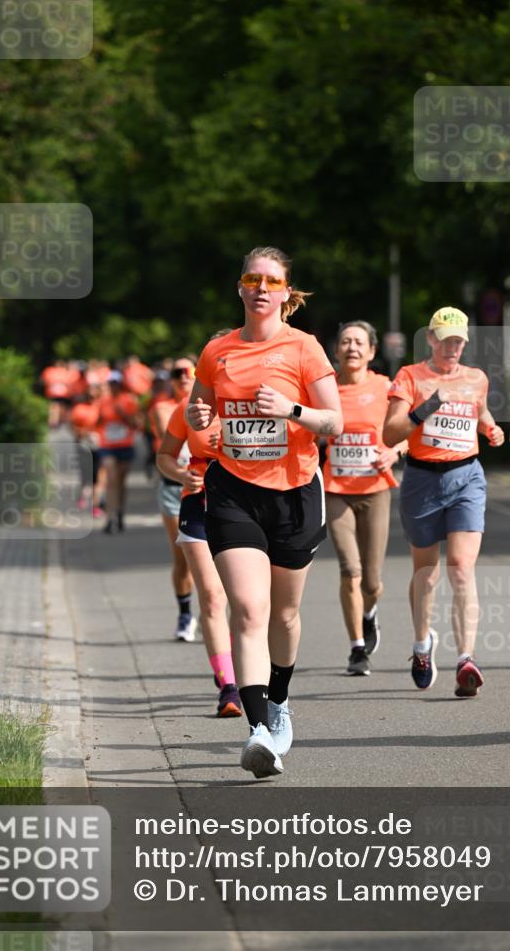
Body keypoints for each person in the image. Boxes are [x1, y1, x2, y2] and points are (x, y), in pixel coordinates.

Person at [187, 245, 342, 778]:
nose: (260, 288)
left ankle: (277, 700)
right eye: (251, 278)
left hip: (296, 493)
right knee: (249, 609)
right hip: (233, 489)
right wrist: (199, 411)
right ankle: (257, 732)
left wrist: (293, 410)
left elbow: (335, 423)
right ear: (240, 287)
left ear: (284, 293)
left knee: (285, 614)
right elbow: (198, 411)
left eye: (271, 281)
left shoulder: (305, 349)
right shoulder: (218, 351)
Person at [384, 307, 504, 698]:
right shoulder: (410, 377)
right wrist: (430, 404)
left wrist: (488, 427)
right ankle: (422, 645)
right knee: (427, 572)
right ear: (431, 340)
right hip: (421, 479)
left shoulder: (476, 378)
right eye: (446, 339)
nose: (452, 347)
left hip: (467, 476)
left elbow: (480, 406)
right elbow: (390, 433)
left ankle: (466, 658)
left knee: (461, 567)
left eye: (459, 341)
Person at [158, 368, 243, 718]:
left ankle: (248, 671)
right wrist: (182, 474)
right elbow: (164, 456)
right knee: (211, 596)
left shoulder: (252, 406)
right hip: (199, 503)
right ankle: (229, 687)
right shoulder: (189, 407)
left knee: (246, 600)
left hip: (246, 505)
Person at [324, 321, 407, 676]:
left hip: (375, 489)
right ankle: (357, 649)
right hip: (336, 490)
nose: (352, 347)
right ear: (336, 350)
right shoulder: (324, 390)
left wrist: (396, 452)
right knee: (350, 569)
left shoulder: (386, 388)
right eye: (345, 341)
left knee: (372, 581)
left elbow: (409, 431)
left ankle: (369, 614)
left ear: (372, 352)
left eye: (359, 342)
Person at [150, 357, 198, 641]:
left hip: (204, 487)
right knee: (182, 556)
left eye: (189, 371)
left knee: (213, 557)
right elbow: (167, 434)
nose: (182, 377)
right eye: (176, 373)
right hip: (173, 487)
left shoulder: (212, 406)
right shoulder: (162, 408)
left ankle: (212, 611)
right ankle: (184, 614)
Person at [96, 370, 140, 533]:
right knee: (111, 480)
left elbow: (136, 424)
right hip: (107, 445)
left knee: (120, 483)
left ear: (120, 384)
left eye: (115, 383)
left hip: (125, 445)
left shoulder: (129, 400)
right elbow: (98, 421)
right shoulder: (103, 401)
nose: (113, 386)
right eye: (110, 383)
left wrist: (124, 415)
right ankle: (109, 519)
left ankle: (120, 513)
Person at [69, 383, 104, 516]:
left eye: (95, 393)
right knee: (85, 472)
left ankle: (96, 504)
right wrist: (84, 433)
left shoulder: (102, 407)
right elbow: (72, 427)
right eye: (90, 393)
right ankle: (83, 495)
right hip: (84, 444)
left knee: (99, 475)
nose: (93, 396)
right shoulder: (79, 409)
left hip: (102, 445)